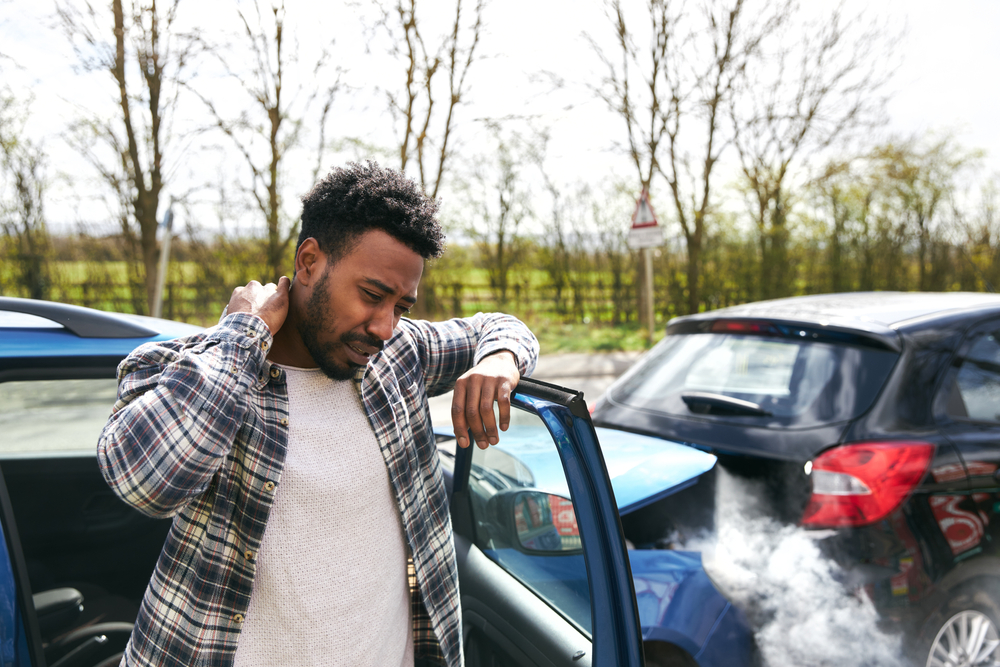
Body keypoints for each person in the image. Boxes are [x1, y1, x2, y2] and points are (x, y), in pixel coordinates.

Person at [97, 162, 539, 667]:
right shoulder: (187, 367)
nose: (385, 326)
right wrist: (243, 335)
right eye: (372, 295)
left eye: (402, 307)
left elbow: (502, 326)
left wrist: (500, 360)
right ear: (309, 260)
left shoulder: (399, 357)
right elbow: (147, 481)